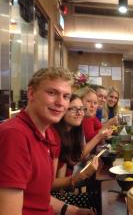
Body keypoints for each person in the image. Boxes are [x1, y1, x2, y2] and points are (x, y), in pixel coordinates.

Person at [0, 67, 94, 215]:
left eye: (66, 96)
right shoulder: (14, 135)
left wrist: (73, 210)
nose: (60, 102)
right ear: (31, 94)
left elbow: (40, 196)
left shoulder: (48, 133)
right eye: (52, 93)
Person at [52, 94, 112, 190]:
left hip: (67, 183)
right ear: (61, 111)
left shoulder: (73, 131)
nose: (80, 113)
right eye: (74, 109)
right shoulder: (54, 137)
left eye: (81, 109)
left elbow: (75, 158)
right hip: (57, 195)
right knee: (101, 185)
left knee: (102, 183)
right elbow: (49, 185)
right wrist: (82, 175)